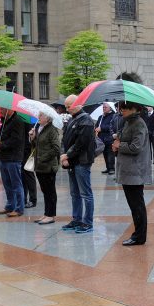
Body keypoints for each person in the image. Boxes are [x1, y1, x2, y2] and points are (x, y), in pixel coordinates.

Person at [113, 102, 151, 245]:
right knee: (134, 205)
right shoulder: (128, 122)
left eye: (126, 108)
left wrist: (120, 145)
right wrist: (118, 140)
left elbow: (136, 147)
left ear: (135, 109)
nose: (122, 110)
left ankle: (139, 236)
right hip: (128, 170)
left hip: (135, 171)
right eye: (121, 108)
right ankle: (138, 234)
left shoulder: (138, 124)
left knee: (137, 205)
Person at [60, 94, 96, 233]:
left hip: (82, 161)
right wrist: (65, 155)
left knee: (85, 193)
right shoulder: (72, 119)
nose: (67, 109)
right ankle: (77, 219)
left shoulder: (85, 120)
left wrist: (67, 155)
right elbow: (65, 139)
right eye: (66, 106)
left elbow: (82, 143)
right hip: (72, 161)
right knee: (74, 193)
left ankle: (87, 222)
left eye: (68, 106)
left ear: (76, 104)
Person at [0, 108, 27, 217]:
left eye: (2, 109)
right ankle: (10, 205)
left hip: (13, 158)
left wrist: (2, 145)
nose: (0, 111)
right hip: (3, 157)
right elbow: (1, 136)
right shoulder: (4, 120)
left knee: (16, 184)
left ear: (10, 110)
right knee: (7, 184)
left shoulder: (17, 121)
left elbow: (16, 140)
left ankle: (19, 208)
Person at [33, 115, 62, 225]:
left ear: (48, 118)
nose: (39, 117)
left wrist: (42, 158)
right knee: (45, 191)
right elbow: (37, 146)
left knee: (50, 191)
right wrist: (33, 138)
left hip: (48, 166)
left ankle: (51, 215)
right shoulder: (39, 128)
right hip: (40, 166)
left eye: (41, 115)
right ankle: (46, 213)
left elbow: (56, 148)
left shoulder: (52, 130)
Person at [95, 103, 117, 175]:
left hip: (109, 138)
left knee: (110, 154)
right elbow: (97, 125)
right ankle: (108, 168)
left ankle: (111, 168)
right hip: (102, 139)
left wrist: (102, 128)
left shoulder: (113, 116)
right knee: (105, 154)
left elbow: (112, 126)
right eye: (103, 107)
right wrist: (96, 128)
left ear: (110, 108)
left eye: (105, 107)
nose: (104, 108)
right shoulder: (100, 117)